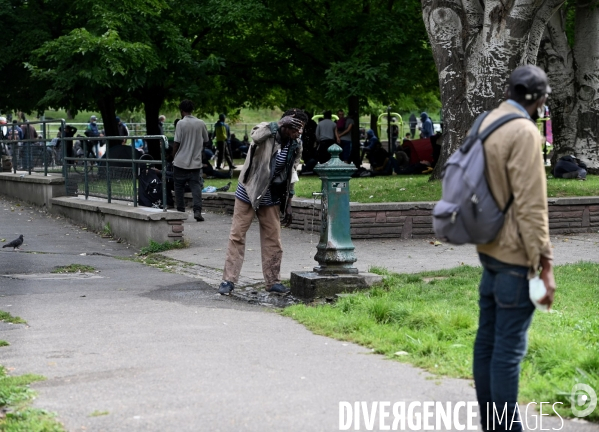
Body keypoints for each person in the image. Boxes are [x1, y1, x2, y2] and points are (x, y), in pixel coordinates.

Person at [472, 65, 555, 432]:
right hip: (514, 259)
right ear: (539, 98)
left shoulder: (486, 122)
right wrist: (545, 264)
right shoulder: (523, 131)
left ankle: (493, 426)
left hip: (487, 249)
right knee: (507, 353)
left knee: (487, 343)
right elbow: (531, 205)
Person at [218, 109, 307, 296]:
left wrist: (289, 201)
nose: (300, 132)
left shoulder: (296, 143)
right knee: (237, 235)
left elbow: (292, 172)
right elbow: (255, 136)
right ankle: (228, 280)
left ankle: (273, 281)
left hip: (271, 196)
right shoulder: (266, 130)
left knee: (273, 239)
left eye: (302, 129)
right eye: (297, 128)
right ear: (287, 124)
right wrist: (278, 124)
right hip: (249, 191)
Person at [172, 100, 210, 221]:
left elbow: (176, 142)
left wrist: (173, 156)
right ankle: (197, 211)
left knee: (179, 187)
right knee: (196, 187)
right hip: (195, 162)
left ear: (181, 111)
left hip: (180, 161)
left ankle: (180, 211)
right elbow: (206, 140)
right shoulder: (201, 123)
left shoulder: (180, 123)